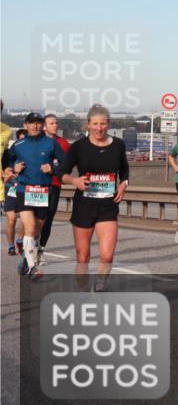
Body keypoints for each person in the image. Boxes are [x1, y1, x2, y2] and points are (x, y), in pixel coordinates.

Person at [61, 104, 129, 292]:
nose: (99, 128)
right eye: (95, 124)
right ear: (88, 125)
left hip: (108, 205)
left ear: (108, 125)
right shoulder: (79, 147)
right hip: (84, 205)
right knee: (83, 256)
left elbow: (124, 169)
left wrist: (124, 184)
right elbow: (62, 173)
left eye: (103, 124)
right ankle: (83, 289)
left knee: (106, 255)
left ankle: (99, 285)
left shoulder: (118, 145)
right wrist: (74, 181)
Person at [10, 112, 65, 279]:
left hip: (43, 191)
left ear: (42, 125)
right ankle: (32, 267)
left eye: (38, 123)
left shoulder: (51, 143)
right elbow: (7, 162)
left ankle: (26, 261)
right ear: (25, 125)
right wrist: (14, 168)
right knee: (30, 227)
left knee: (37, 231)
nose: (35, 126)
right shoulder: (18, 145)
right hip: (24, 189)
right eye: (31, 123)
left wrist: (53, 170)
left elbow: (65, 164)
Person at [37, 113, 70, 264]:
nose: (55, 126)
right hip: (37, 185)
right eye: (51, 123)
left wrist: (55, 170)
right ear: (44, 126)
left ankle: (40, 251)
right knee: (36, 219)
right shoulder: (36, 141)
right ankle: (28, 245)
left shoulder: (63, 143)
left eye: (56, 123)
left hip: (55, 185)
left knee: (48, 219)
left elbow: (67, 166)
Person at [4, 129, 27, 256]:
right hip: (12, 188)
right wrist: (14, 170)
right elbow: (5, 174)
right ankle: (11, 245)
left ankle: (20, 240)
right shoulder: (10, 154)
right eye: (21, 140)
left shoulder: (31, 154)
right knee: (12, 219)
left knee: (25, 219)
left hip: (25, 189)